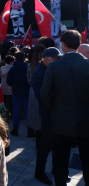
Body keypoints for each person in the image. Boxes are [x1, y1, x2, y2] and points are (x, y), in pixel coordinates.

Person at [41, 30, 89, 186]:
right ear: (79, 44)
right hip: (85, 119)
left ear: (63, 45)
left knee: (60, 161)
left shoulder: (54, 66)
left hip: (61, 120)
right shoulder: (87, 64)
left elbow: (45, 94)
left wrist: (56, 109)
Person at [31, 47, 63, 185]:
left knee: (58, 145)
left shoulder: (52, 69)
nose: (58, 60)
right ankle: (40, 172)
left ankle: (57, 171)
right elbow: (42, 96)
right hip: (48, 115)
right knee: (45, 145)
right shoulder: (39, 73)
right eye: (56, 58)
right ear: (47, 59)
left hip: (57, 113)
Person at [6, 52, 33, 137]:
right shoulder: (28, 68)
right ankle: (30, 131)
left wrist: (14, 86)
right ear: (24, 58)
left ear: (15, 59)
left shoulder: (12, 69)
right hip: (26, 92)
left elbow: (8, 81)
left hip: (16, 92)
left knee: (16, 111)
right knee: (28, 112)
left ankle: (15, 129)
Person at [27, 45, 46, 146]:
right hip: (44, 92)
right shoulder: (46, 65)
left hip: (33, 92)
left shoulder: (30, 65)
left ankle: (38, 144)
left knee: (36, 121)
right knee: (44, 119)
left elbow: (28, 80)